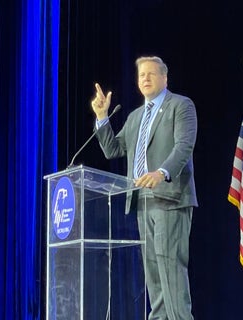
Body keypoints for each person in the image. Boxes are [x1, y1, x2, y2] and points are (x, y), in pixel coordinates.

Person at [92, 56, 198, 319]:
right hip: (142, 202)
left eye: (151, 74)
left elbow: (184, 146)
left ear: (165, 78)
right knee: (154, 277)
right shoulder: (136, 116)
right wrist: (102, 117)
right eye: (141, 76)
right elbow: (113, 150)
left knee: (171, 272)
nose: (146, 79)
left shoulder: (180, 106)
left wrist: (162, 173)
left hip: (169, 199)